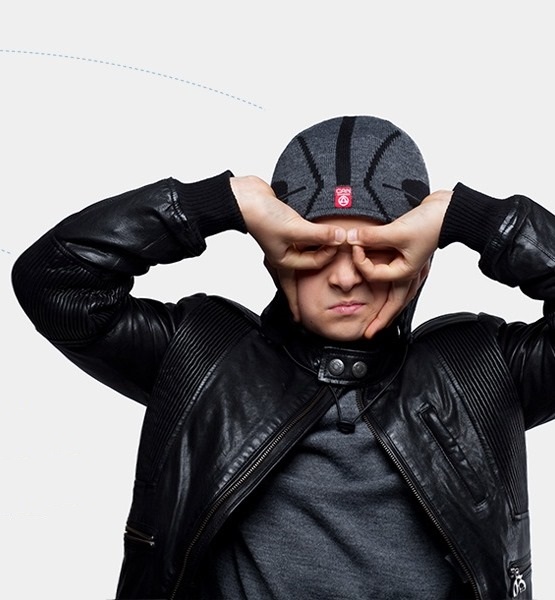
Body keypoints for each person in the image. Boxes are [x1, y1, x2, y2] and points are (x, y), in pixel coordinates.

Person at [11, 115, 553, 599]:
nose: (346, 277)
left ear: (420, 264)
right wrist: (219, 204)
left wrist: (475, 220)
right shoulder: (203, 359)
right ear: (275, 256)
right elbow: (55, 284)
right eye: (315, 250)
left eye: (381, 251)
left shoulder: (480, 373)